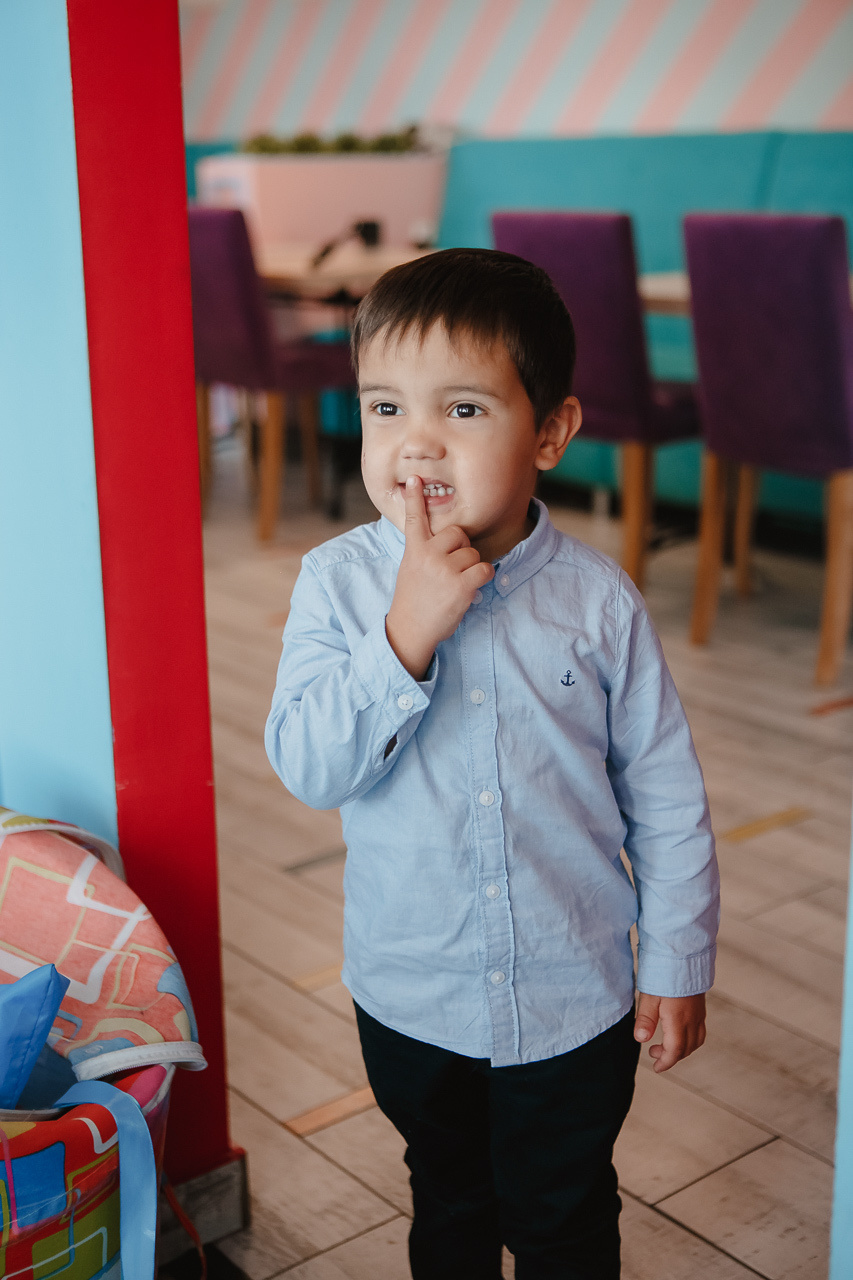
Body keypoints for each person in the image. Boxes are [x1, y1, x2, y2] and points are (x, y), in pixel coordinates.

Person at [265, 248, 719, 1280]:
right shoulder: (337, 586)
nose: (414, 444)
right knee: (451, 1201)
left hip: (574, 994)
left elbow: (665, 792)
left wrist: (678, 957)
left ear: (550, 431)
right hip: (412, 995)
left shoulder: (598, 603)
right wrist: (403, 637)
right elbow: (308, 762)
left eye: (462, 410)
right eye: (384, 407)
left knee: (562, 1213)